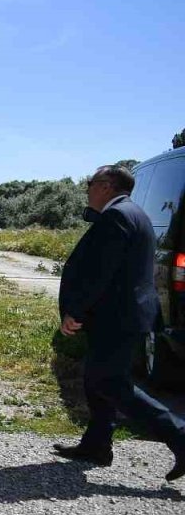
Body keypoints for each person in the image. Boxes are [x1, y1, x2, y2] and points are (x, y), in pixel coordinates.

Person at [53, 165, 185, 481]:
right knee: (95, 378)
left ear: (107, 186)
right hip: (122, 316)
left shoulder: (117, 217)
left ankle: (179, 435)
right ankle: (96, 445)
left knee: (111, 383)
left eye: (91, 183)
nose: (87, 189)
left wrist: (76, 312)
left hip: (117, 318)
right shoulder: (134, 214)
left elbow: (101, 273)